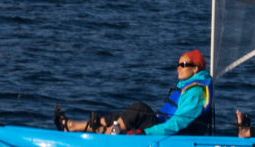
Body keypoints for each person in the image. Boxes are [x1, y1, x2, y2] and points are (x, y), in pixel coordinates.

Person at [53, 50, 213, 136]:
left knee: (140, 109)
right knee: (123, 115)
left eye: (184, 64)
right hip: (163, 126)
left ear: (196, 68)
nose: (179, 67)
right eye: (178, 64)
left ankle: (109, 136)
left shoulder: (195, 91)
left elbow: (177, 124)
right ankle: (72, 126)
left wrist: (144, 133)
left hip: (176, 135)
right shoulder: (187, 86)